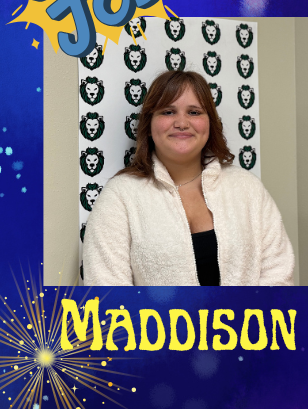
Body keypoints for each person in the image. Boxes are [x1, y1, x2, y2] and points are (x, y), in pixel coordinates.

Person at [83, 71, 294, 286]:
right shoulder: (120, 196)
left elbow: (279, 276)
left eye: (194, 112)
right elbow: (106, 292)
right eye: (168, 112)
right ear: (148, 125)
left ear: (210, 124)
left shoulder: (248, 189)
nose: (182, 123)